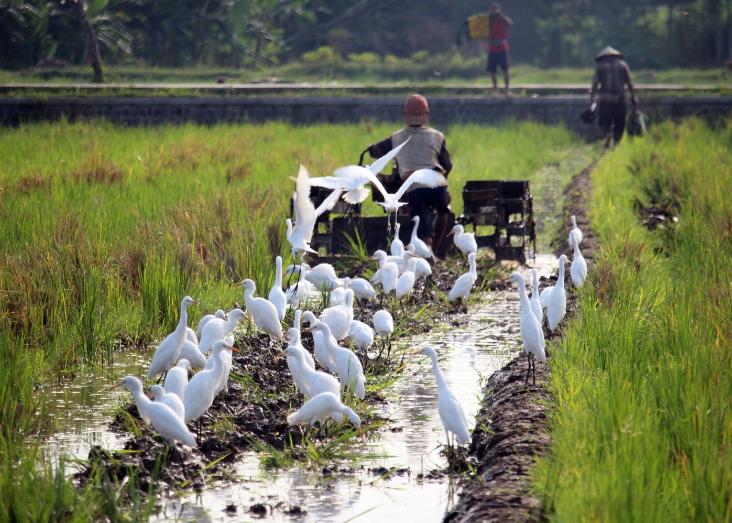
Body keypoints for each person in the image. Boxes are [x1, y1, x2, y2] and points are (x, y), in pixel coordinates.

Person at [367, 94, 453, 252]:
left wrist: (371, 147)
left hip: (415, 187)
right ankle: (435, 249)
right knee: (443, 211)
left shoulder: (396, 138)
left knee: (420, 213)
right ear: (426, 115)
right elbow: (447, 164)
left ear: (405, 115)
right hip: (438, 184)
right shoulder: (437, 136)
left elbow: (376, 151)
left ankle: (427, 248)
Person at [590, 46, 638, 148]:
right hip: (620, 100)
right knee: (619, 122)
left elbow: (594, 85)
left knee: (604, 122)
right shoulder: (622, 65)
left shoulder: (600, 66)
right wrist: (633, 97)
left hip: (605, 100)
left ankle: (607, 136)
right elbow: (629, 83)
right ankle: (616, 143)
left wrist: (592, 100)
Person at [486, 3, 513, 95]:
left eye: (496, 9)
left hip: (502, 48)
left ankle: (507, 89)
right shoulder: (489, 20)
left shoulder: (502, 19)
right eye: (493, 9)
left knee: (505, 70)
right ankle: (495, 89)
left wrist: (501, 16)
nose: (495, 11)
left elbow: (510, 24)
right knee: (493, 71)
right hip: (492, 48)